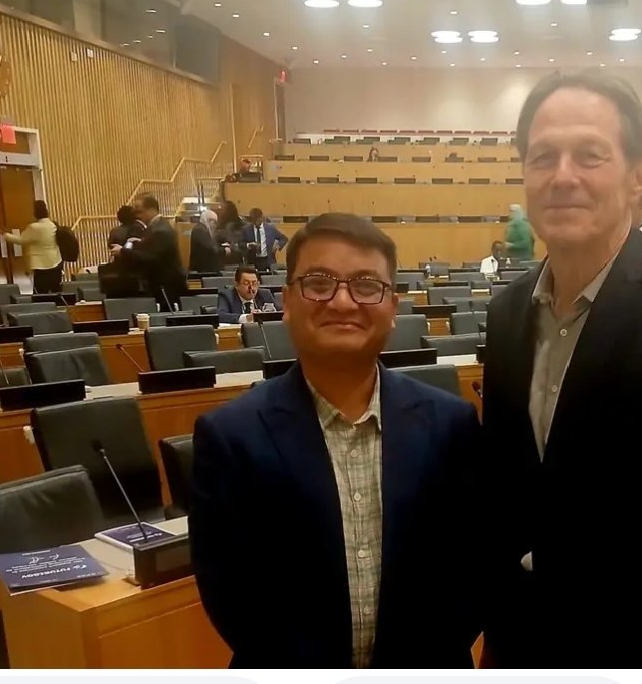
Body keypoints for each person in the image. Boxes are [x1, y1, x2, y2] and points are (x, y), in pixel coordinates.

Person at [480, 70, 642, 667]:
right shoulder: (506, 314)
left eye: (589, 155)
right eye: (543, 157)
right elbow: (511, 495)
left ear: (637, 176)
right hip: (519, 645)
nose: (562, 176)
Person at [191, 213, 485, 668]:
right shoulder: (231, 437)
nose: (343, 301)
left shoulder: (452, 425)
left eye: (367, 285)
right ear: (288, 301)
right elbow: (233, 596)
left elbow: (472, 571)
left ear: (393, 306)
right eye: (319, 283)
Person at [109, 194, 187, 308]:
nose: (136, 216)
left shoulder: (160, 230)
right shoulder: (155, 227)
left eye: (139, 211)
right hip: (161, 285)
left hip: (166, 288)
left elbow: (151, 258)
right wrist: (140, 244)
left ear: (151, 210)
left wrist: (123, 252)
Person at [1, 199, 63, 294]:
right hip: (55, 262)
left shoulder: (34, 227)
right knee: (56, 293)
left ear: (35, 212)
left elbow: (20, 240)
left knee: (41, 294)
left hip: (40, 266)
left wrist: (5, 235)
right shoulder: (52, 225)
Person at [189, 207, 224, 274]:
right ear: (209, 220)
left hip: (203, 269)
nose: (215, 225)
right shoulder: (200, 230)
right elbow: (210, 248)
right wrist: (224, 250)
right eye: (214, 222)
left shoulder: (201, 229)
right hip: (202, 270)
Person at [217, 201, 246, 266]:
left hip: (231, 259)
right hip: (230, 258)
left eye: (221, 209)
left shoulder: (226, 226)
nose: (219, 211)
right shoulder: (220, 225)